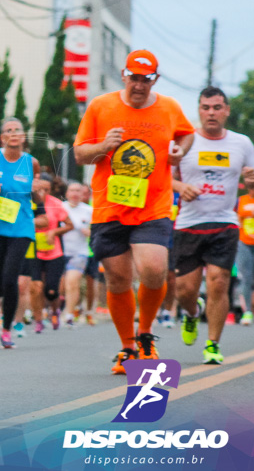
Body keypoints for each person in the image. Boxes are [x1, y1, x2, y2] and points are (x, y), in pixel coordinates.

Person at [74, 50, 194, 374]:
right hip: (109, 207)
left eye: (146, 79)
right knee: (118, 278)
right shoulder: (101, 106)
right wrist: (103, 147)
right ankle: (127, 346)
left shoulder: (169, 107)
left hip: (152, 204)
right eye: (134, 78)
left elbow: (186, 133)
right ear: (124, 75)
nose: (139, 85)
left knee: (154, 269)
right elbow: (80, 152)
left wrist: (178, 152)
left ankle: (145, 334)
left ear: (155, 79)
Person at [172, 86, 254, 365]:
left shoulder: (242, 143)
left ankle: (212, 344)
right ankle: (193, 312)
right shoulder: (186, 141)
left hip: (225, 223)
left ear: (226, 111)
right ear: (199, 109)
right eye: (206, 107)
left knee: (219, 282)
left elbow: (252, 183)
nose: (211, 113)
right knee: (184, 290)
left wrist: (252, 179)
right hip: (188, 224)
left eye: (217, 107)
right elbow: (163, 177)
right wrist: (181, 186)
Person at [0, 117, 38, 349]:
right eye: (8, 131)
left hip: (21, 228)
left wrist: (40, 190)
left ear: (24, 136)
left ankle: (6, 328)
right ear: (2, 137)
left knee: (10, 279)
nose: (13, 133)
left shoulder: (31, 163)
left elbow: (37, 195)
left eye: (17, 130)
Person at [28, 174, 71, 332]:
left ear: (51, 190)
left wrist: (54, 232)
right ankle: (38, 320)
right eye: (40, 189)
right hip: (34, 250)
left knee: (51, 291)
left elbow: (69, 225)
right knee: (36, 287)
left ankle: (54, 310)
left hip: (54, 252)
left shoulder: (56, 204)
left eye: (46, 189)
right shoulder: (29, 202)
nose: (42, 193)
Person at [61, 181, 94, 326]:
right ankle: (57, 310)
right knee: (60, 286)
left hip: (79, 252)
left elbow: (97, 231)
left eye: (78, 191)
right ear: (67, 193)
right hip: (60, 251)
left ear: (82, 194)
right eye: (72, 190)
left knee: (72, 282)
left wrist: (90, 232)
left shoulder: (89, 210)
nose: (74, 193)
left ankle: (69, 314)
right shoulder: (60, 208)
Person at [236, 182, 254, 325]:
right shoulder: (241, 200)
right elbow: (237, 220)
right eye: (251, 186)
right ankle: (247, 311)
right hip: (244, 242)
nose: (253, 189)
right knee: (246, 278)